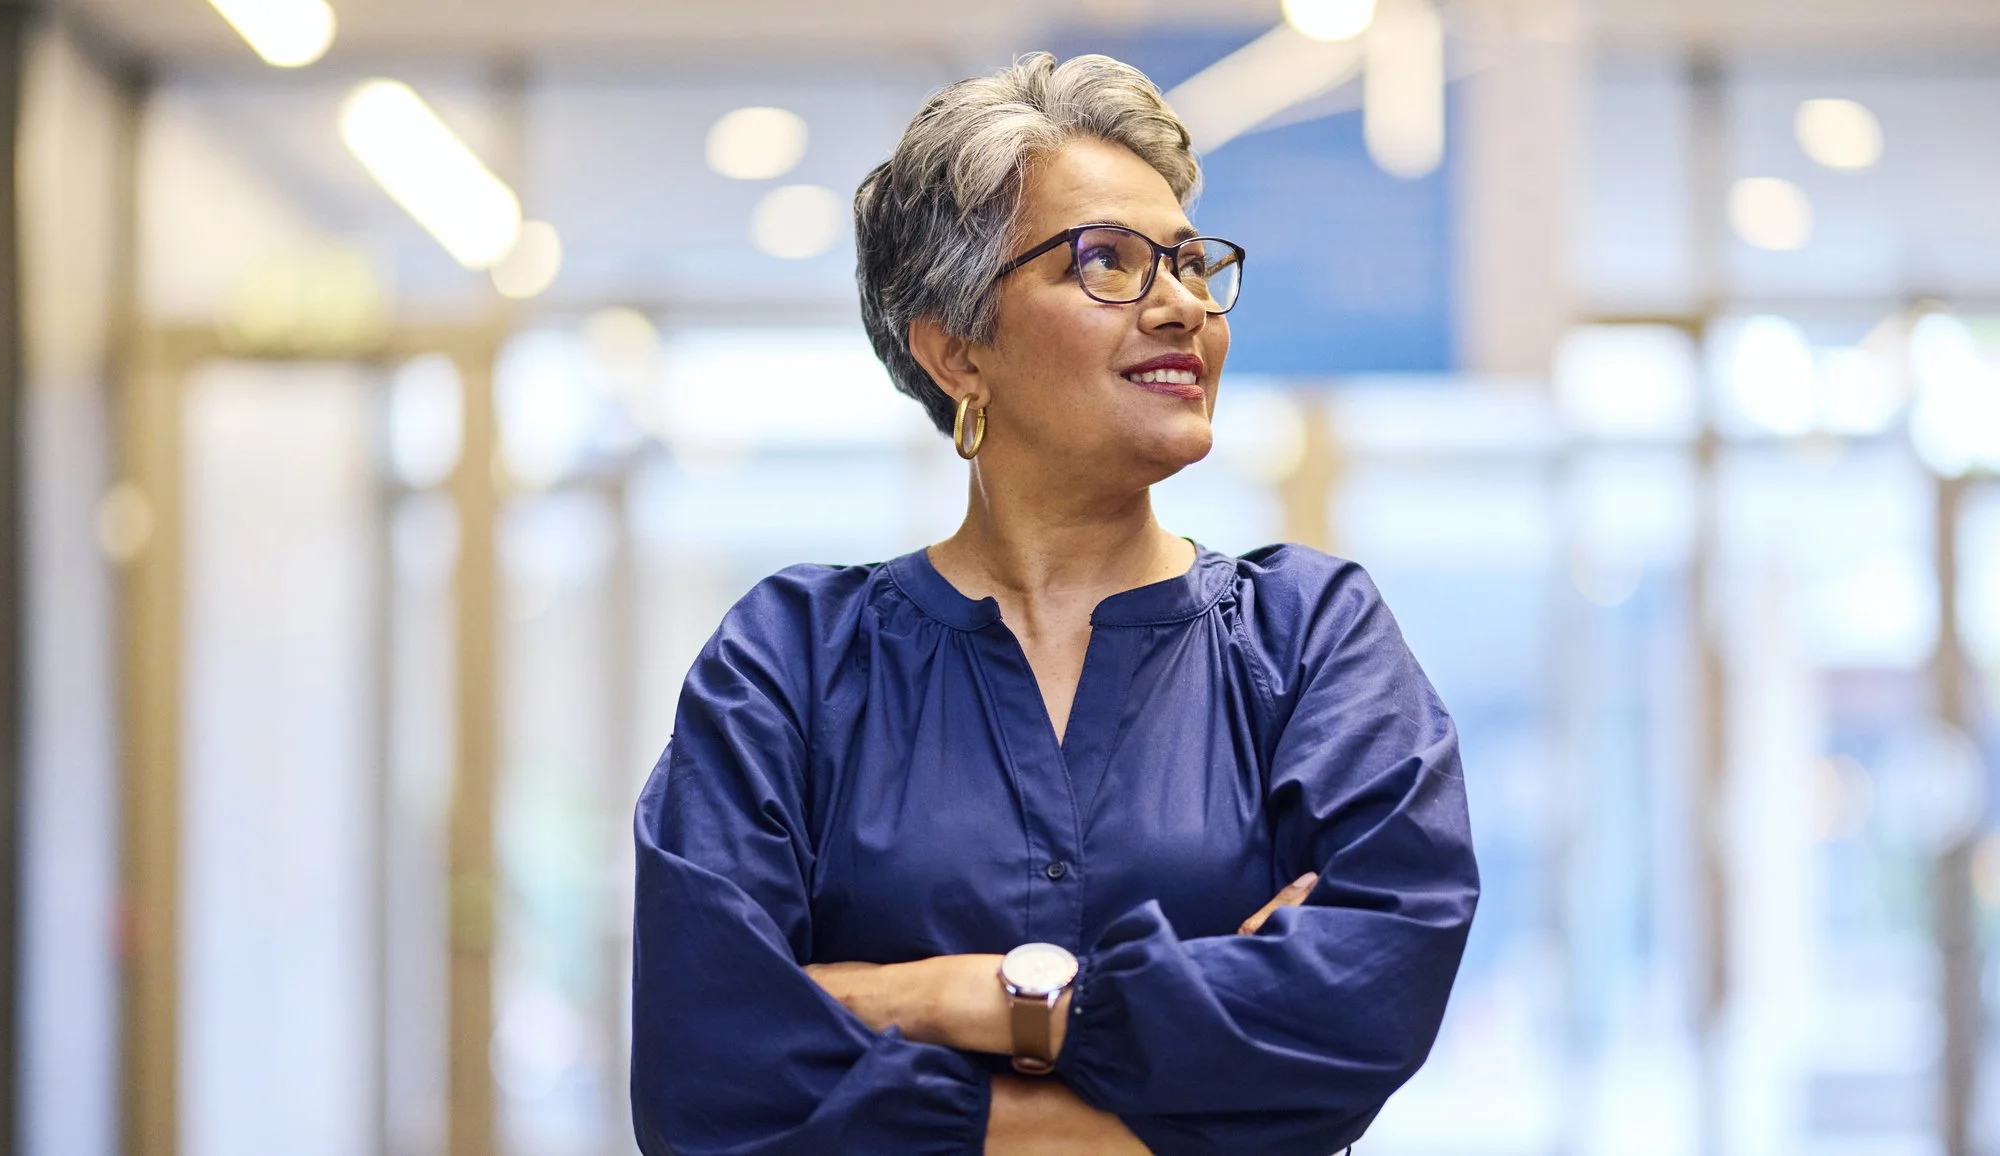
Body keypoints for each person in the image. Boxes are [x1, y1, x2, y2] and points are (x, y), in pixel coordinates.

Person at [630, 51, 1478, 1156]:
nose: (1180, 305)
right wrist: (1165, 1091)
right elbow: (709, 1079)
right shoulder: (790, 662)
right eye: (1108, 262)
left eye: (1186, 261)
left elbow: (1364, 1000)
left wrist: (950, 998)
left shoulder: (1308, 639)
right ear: (955, 348)